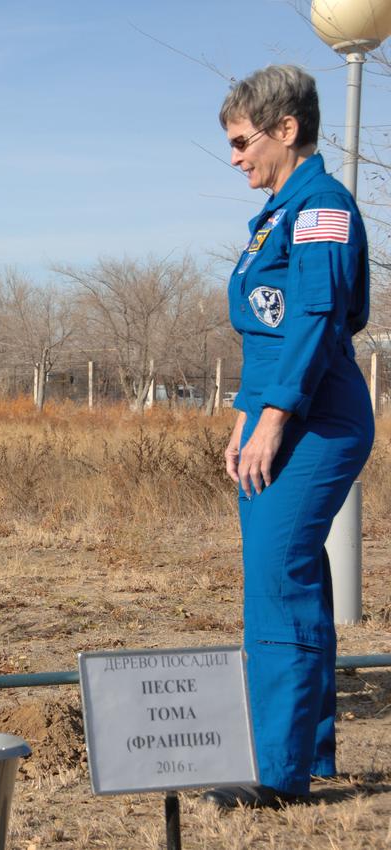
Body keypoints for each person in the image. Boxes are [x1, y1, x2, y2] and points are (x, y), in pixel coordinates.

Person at [202, 65, 373, 810]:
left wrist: (274, 420)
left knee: (279, 581)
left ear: (286, 131)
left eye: (243, 142)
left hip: (317, 419)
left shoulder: (323, 207)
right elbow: (262, 334)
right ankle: (311, 750)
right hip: (276, 414)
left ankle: (275, 774)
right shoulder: (276, 214)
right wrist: (245, 418)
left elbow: (313, 321)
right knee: (287, 575)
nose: (235, 156)